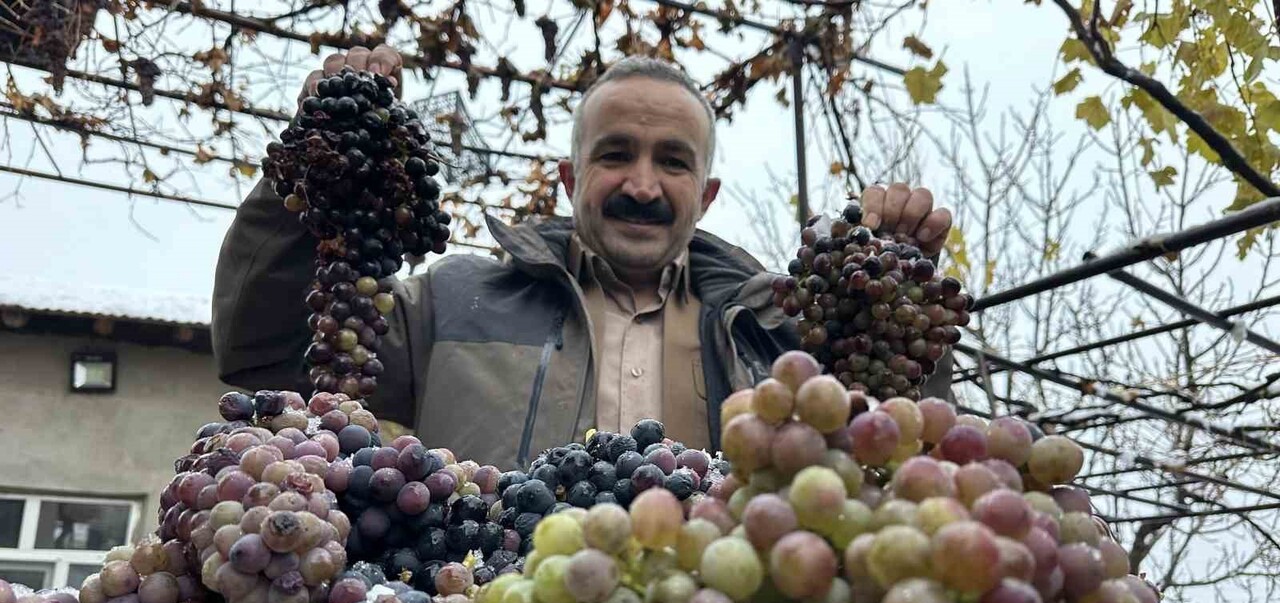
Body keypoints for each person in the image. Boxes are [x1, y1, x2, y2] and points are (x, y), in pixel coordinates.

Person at [212, 45, 954, 470]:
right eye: (615, 155)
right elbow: (266, 354)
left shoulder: (781, 331)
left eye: (672, 161)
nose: (642, 185)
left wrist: (898, 298)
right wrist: (313, 168)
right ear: (570, 180)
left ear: (706, 195)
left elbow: (897, 446)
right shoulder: (451, 300)